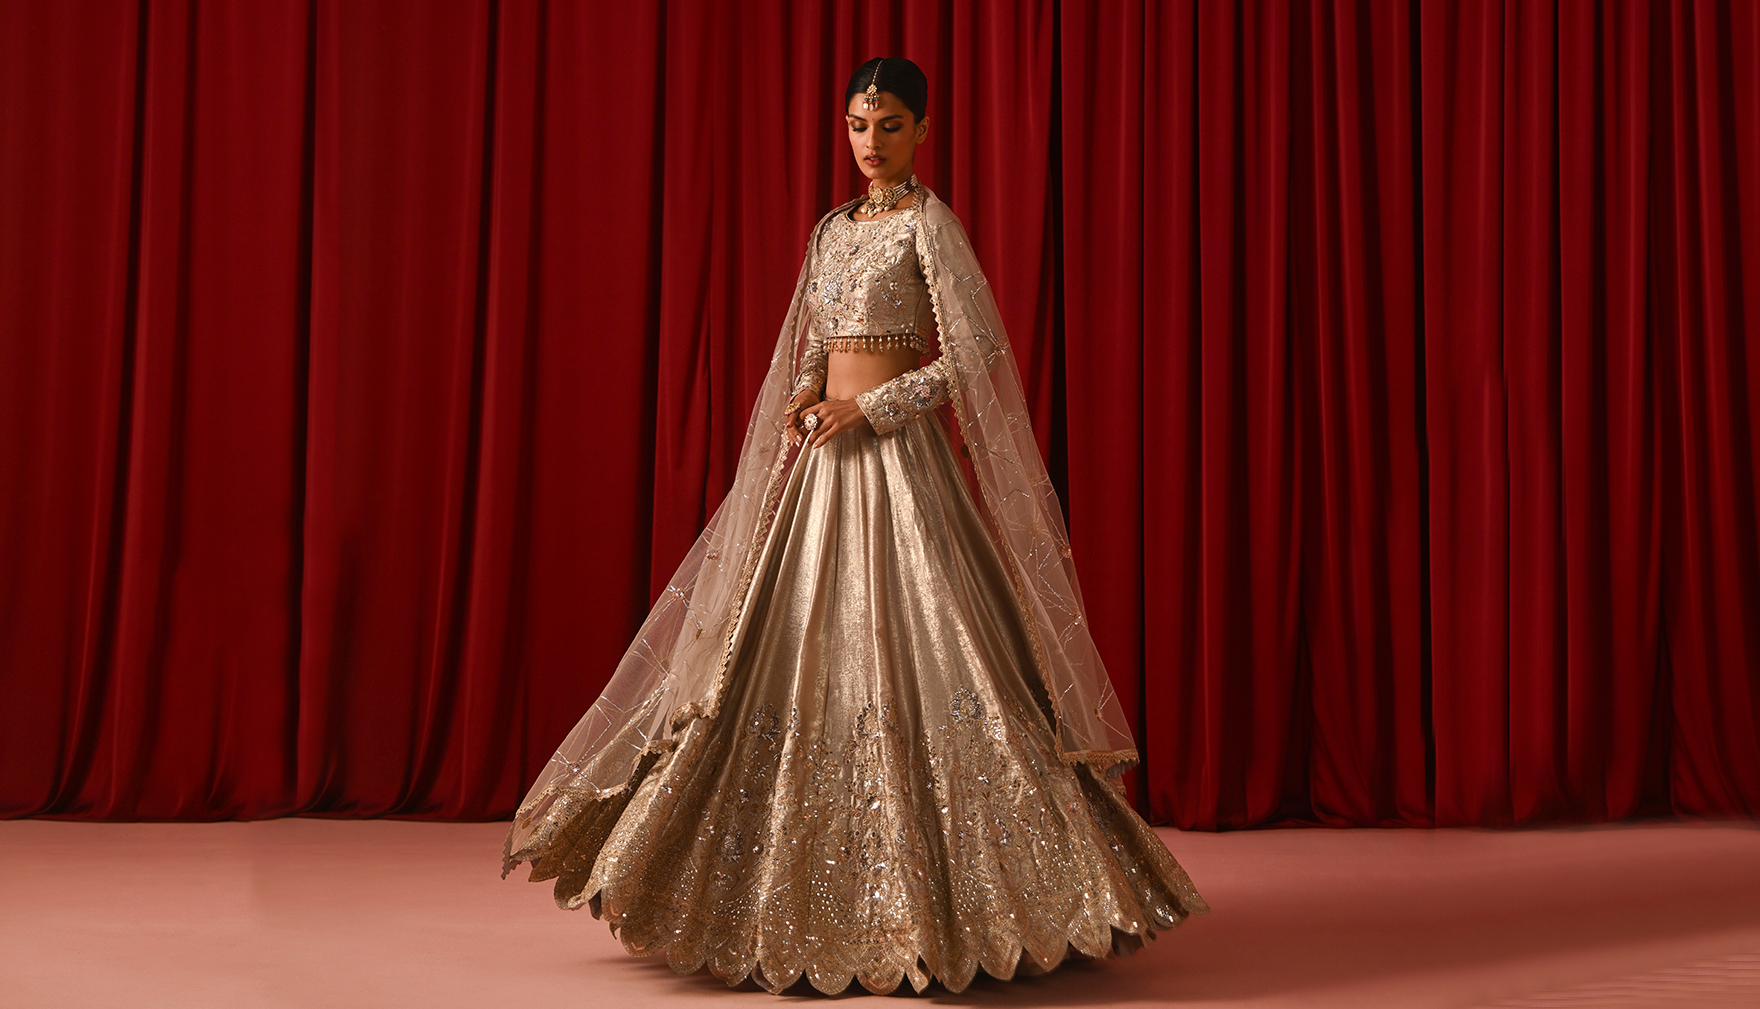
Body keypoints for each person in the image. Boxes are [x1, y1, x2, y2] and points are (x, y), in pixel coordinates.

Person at [502, 56, 1208, 996]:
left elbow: (974, 352)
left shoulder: (929, 224)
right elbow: (809, 340)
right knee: (773, 651)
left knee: (943, 651)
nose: (871, 143)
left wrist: (872, 411)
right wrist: (806, 396)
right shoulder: (831, 231)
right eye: (857, 126)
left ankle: (981, 900)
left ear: (923, 132)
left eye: (890, 126)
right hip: (822, 472)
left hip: (900, 470)